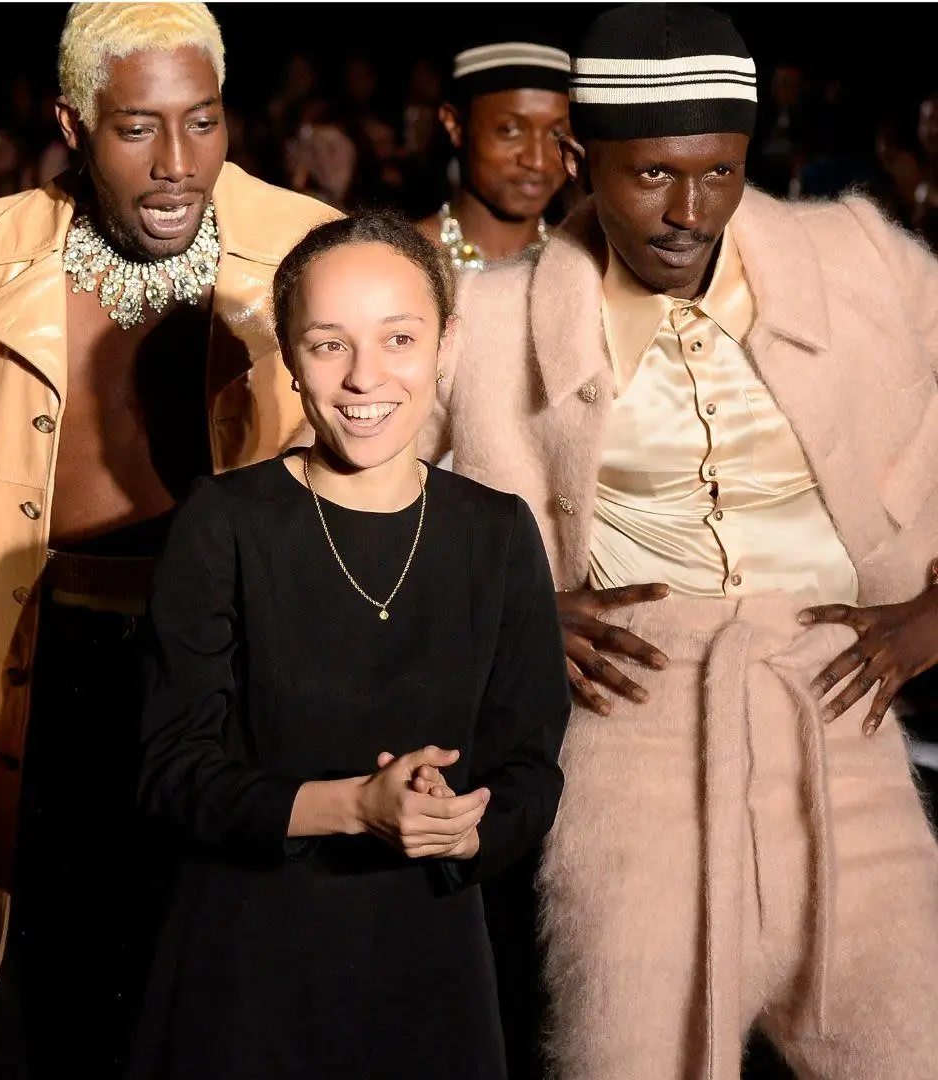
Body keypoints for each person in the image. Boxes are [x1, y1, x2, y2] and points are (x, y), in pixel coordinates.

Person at [423, 4, 938, 1078]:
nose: (688, 213)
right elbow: (363, 510)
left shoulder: (861, 262)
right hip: (629, 742)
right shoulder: (489, 320)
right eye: (652, 175)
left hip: (843, 715)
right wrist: (507, 611)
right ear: (584, 159)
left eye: (719, 173)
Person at [0, 3, 338, 1076]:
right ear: (72, 127)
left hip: (240, 697)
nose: (178, 163)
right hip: (56, 697)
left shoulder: (308, 251)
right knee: (77, 1032)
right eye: (136, 128)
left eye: (202, 121)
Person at [127, 208, 571, 1079]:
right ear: (291, 361)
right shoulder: (225, 524)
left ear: (445, 346)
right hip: (247, 976)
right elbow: (171, 772)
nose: (366, 376)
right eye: (329, 345)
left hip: (431, 974)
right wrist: (355, 807)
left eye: (399, 338)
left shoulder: (496, 533)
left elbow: (531, 766)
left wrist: (465, 829)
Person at [415, 38, 571, 272]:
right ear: (455, 124)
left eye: (556, 133)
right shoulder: (404, 263)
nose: (538, 161)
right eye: (510, 130)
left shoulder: (583, 267)